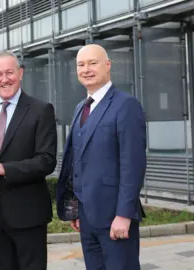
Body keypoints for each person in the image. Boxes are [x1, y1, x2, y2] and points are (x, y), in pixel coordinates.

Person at [56, 44, 146, 270]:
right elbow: (77, 161)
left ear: (107, 65)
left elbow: (132, 165)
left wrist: (124, 215)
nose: (86, 69)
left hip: (114, 217)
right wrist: (75, 208)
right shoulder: (80, 108)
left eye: (92, 63)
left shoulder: (126, 105)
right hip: (87, 218)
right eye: (81, 65)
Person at [0, 50, 57, 270]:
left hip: (28, 213)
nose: (4, 79)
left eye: (9, 72)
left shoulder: (41, 110)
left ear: (21, 73)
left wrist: (4, 168)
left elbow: (46, 161)